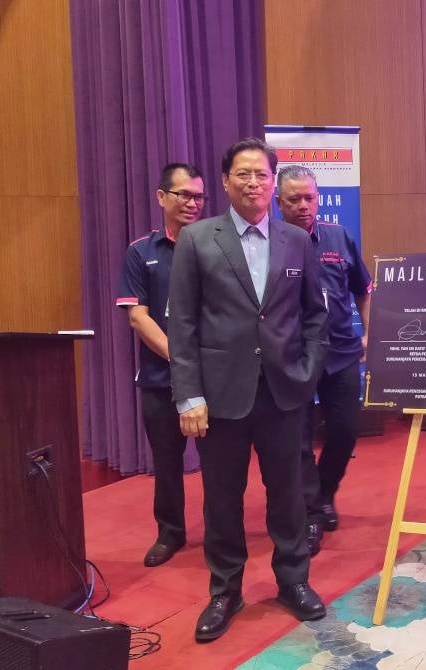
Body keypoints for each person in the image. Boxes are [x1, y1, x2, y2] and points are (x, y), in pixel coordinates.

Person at [168, 138, 330, 642]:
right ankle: (225, 590)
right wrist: (188, 395)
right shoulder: (198, 239)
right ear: (225, 181)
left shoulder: (297, 240)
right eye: (243, 174)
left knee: (288, 495)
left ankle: (293, 581)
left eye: (261, 174)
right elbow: (184, 324)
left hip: (284, 392)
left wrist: (306, 371)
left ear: (272, 180)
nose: (253, 182)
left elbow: (315, 315)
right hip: (220, 396)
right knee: (222, 498)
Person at [275, 165, 371, 555]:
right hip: (293, 356)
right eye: (293, 198)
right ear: (278, 202)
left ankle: (325, 491)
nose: (303, 205)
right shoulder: (271, 243)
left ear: (318, 198)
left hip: (342, 351)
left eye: (309, 197)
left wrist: (369, 334)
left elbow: (363, 289)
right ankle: (312, 512)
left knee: (345, 429)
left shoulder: (338, 236)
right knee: (296, 437)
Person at [116, 163, 206, 568]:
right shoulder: (141, 252)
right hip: (159, 379)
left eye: (198, 197)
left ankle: (223, 532)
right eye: (183, 194)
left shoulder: (213, 245)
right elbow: (138, 317)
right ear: (161, 197)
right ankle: (170, 533)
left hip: (213, 379)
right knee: (167, 462)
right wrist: (183, 359)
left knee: (220, 463)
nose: (192, 202)